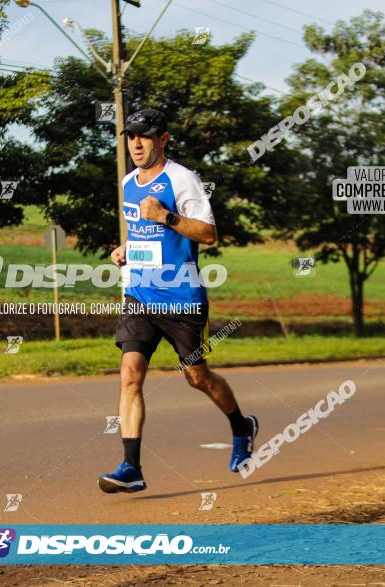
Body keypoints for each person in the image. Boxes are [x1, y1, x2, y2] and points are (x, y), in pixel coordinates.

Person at [98, 108, 258, 494]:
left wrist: (167, 216)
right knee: (130, 374)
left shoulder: (182, 179)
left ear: (163, 139)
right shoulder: (128, 183)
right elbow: (143, 233)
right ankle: (131, 468)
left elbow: (208, 233)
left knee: (196, 376)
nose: (136, 143)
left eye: (144, 136)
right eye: (131, 136)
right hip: (139, 292)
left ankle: (241, 425)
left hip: (181, 297)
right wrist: (126, 248)